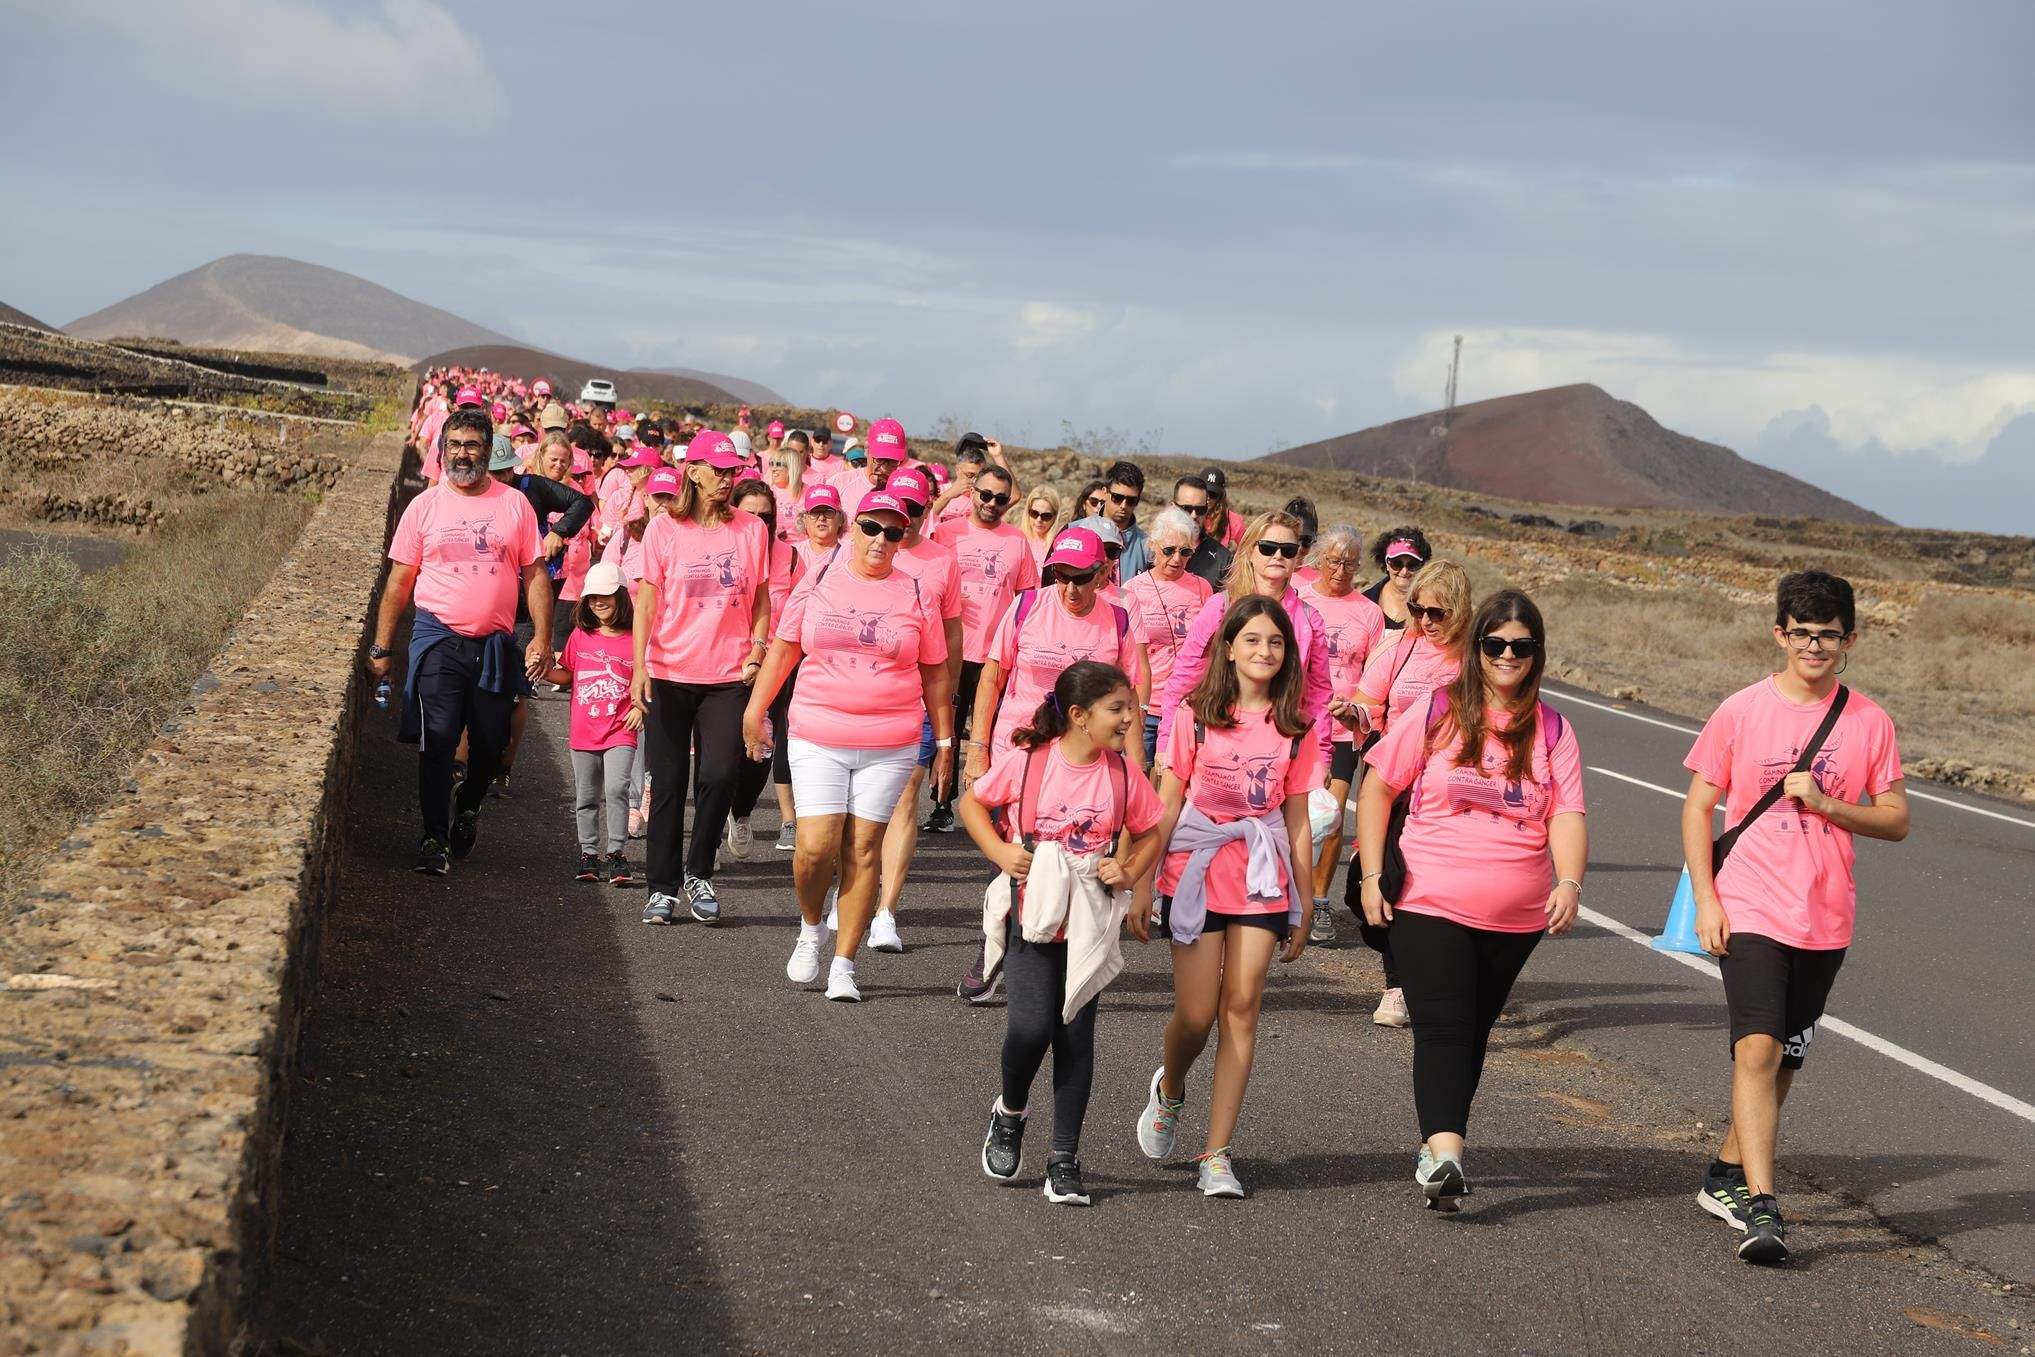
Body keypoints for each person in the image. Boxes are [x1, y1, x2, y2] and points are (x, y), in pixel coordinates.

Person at [1682, 570, 1906, 1265]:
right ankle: (1762, 1206)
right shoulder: (1741, 709)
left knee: (1783, 1056)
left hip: (1824, 912)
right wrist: (1707, 898)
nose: (1814, 645)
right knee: (1756, 1047)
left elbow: (1896, 819)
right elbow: (1697, 806)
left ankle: (1724, 1172)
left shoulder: (1868, 721)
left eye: (1828, 635)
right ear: (1779, 632)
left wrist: (1829, 804)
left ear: (1849, 641)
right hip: (1748, 898)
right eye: (1802, 632)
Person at [1355, 589, 1587, 1209]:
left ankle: (1435, 1148)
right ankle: (1449, 1152)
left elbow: (1567, 813)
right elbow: (1378, 789)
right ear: (1476, 648)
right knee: (1446, 1025)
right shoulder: (1437, 711)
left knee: (1474, 1027)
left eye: (1521, 646)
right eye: (1495, 644)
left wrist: (1569, 881)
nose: (1508, 655)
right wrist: (1373, 875)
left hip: (1516, 915)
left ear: (1536, 654)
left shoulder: (1554, 728)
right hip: (1430, 895)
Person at [1135, 596, 1319, 1198]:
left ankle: (1216, 1153)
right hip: (1194, 867)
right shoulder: (1193, 715)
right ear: (1230, 647)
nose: (1265, 652)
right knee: (1196, 1013)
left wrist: (1306, 897)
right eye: (1253, 640)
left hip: (1260, 875)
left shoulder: (1296, 727)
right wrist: (1141, 881)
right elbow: (1165, 804)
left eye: (1276, 643)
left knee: (1242, 1005)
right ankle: (1171, 1089)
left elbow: (1295, 816)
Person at [963, 661, 1163, 1206]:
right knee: (1030, 1029)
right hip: (1032, 919)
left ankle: (1064, 1157)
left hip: (1089, 927)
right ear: (1078, 716)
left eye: (1129, 708)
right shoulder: (1029, 764)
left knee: (1075, 1036)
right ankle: (1010, 1111)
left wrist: (1129, 870)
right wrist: (1002, 851)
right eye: (1117, 709)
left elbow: (1152, 829)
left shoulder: (1122, 773)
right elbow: (972, 803)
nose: (1129, 718)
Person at [743, 490, 954, 1003]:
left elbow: (934, 672)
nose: (881, 540)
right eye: (871, 528)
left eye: (893, 532)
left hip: (891, 738)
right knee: (815, 847)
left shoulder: (916, 592)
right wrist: (754, 709)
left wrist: (946, 739)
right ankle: (812, 926)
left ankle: (844, 963)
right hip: (819, 731)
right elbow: (786, 648)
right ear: (849, 527)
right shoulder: (817, 579)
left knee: (863, 849)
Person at [956, 525, 1140, 1002]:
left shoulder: (1117, 622)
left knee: (1076, 852)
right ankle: (996, 944)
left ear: (1103, 574)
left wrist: (1134, 767)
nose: (1072, 589)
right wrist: (976, 748)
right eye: (1061, 575)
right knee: (1013, 853)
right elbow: (993, 676)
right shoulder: (1025, 608)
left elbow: (1130, 702)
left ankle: (1062, 958)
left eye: (1083, 577)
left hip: (1086, 759)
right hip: (1020, 750)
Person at [367, 406, 551, 874]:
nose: (462, 453)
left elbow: (534, 574)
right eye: (455, 445)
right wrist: (382, 648)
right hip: (438, 639)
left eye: (472, 445)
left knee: (491, 743)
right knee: (439, 740)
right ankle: (433, 838)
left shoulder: (514, 505)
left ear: (487, 452)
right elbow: (399, 581)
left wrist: (543, 638)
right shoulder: (425, 506)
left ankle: (468, 806)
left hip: (493, 645)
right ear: (442, 450)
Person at [629, 430, 772, 928]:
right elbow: (646, 600)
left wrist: (757, 649)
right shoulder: (663, 529)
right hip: (669, 671)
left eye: (734, 470)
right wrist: (639, 666)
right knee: (667, 783)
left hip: (728, 674)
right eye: (720, 470)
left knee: (719, 776)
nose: (728, 478)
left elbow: (760, 598)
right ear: (693, 470)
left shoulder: (752, 528)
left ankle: (698, 872)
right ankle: (662, 888)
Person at [1335, 557, 1472, 1025]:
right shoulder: (1401, 650)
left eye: (1439, 613)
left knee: (1432, 891)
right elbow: (1369, 705)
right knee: (1372, 884)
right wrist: (1353, 715)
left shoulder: (1474, 659)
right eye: (1418, 610)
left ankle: (1405, 985)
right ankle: (1402, 975)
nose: (1427, 622)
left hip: (1449, 793)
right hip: (1393, 787)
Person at [866, 465, 965, 951]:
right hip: (862, 697)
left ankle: (886, 910)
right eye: (898, 507)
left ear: (927, 510)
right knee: (858, 807)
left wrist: (946, 699)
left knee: (906, 797)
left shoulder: (943, 562)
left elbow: (950, 636)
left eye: (915, 509)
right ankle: (855, 893)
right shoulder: (863, 545)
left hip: (916, 698)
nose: (904, 517)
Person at [1154, 511, 1332, 775]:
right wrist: (1167, 740)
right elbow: (1186, 675)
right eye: (1268, 547)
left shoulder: (1310, 620)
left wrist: (1322, 756)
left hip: (1279, 754)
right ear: (1249, 551)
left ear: (1298, 557)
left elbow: (1318, 696)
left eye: (1288, 549)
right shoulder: (1220, 607)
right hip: (1216, 743)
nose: (1278, 556)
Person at [925, 462, 1038, 833]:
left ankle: (988, 803)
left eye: (1000, 499)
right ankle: (942, 804)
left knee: (989, 732)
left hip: (996, 655)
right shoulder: (946, 533)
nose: (991, 503)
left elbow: (1027, 599)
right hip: (952, 650)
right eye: (986, 494)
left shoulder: (1016, 541)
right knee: (949, 730)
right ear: (972, 492)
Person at [1298, 526, 1384, 941]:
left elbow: (1376, 677)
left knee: (1331, 819)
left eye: (1350, 563)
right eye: (1334, 560)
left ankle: (1318, 902)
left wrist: (1358, 711)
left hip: (1345, 729)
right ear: (1318, 558)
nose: (1341, 570)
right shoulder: (1300, 599)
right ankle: (1285, 896)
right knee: (1296, 813)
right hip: (1300, 725)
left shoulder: (1368, 613)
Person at [546, 562, 642, 886]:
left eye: (606, 596)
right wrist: (544, 670)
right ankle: (588, 852)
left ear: (621, 597)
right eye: (592, 598)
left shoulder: (636, 639)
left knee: (617, 789)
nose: (598, 603)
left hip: (620, 728)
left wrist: (643, 709)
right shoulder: (580, 636)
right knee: (585, 795)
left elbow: (650, 680)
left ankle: (617, 853)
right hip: (584, 730)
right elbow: (566, 675)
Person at [763, 484, 848, 851]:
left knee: (821, 736)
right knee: (783, 730)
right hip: (786, 651)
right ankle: (788, 819)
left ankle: (824, 817)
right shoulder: (789, 555)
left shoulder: (850, 556)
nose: (822, 519)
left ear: (841, 517)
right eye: (816, 513)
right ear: (804, 518)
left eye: (828, 512)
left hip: (829, 658)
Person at [724, 479, 800, 861]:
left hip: (775, 669)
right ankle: (710, 827)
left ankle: (741, 811)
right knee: (721, 751)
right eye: (749, 513)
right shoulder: (722, 548)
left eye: (766, 516)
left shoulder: (790, 557)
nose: (758, 522)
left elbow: (802, 611)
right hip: (725, 664)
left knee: (760, 752)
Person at [1122, 508, 1212, 766]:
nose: (1176, 559)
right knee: (1140, 783)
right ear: (1153, 546)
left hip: (1189, 707)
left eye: (1185, 552)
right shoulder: (1132, 591)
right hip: (1147, 708)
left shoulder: (1202, 588)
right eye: (1169, 550)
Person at [1168, 475, 1232, 590]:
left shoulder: (1223, 559)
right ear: (1173, 507)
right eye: (1186, 509)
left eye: (1200, 510)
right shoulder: (1153, 549)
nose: (1194, 515)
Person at [1364, 527, 1430, 633]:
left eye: (1412, 565)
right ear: (1386, 564)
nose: (1404, 572)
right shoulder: (1365, 601)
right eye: (1397, 564)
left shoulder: (1432, 605)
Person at [1100, 461, 1151, 579]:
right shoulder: (1075, 532)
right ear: (1104, 492)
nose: (1123, 505)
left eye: (1131, 500)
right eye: (1117, 497)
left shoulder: (1148, 546)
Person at [1018, 483, 1063, 573]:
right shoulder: (1017, 539)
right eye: (1034, 513)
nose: (1039, 520)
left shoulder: (1061, 543)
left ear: (1055, 516)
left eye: (1046, 516)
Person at [1200, 466, 1246, 548]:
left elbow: (1245, 552)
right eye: (1204, 492)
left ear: (1220, 496)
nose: (1208, 498)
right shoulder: (1188, 515)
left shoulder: (1235, 523)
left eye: (1213, 494)